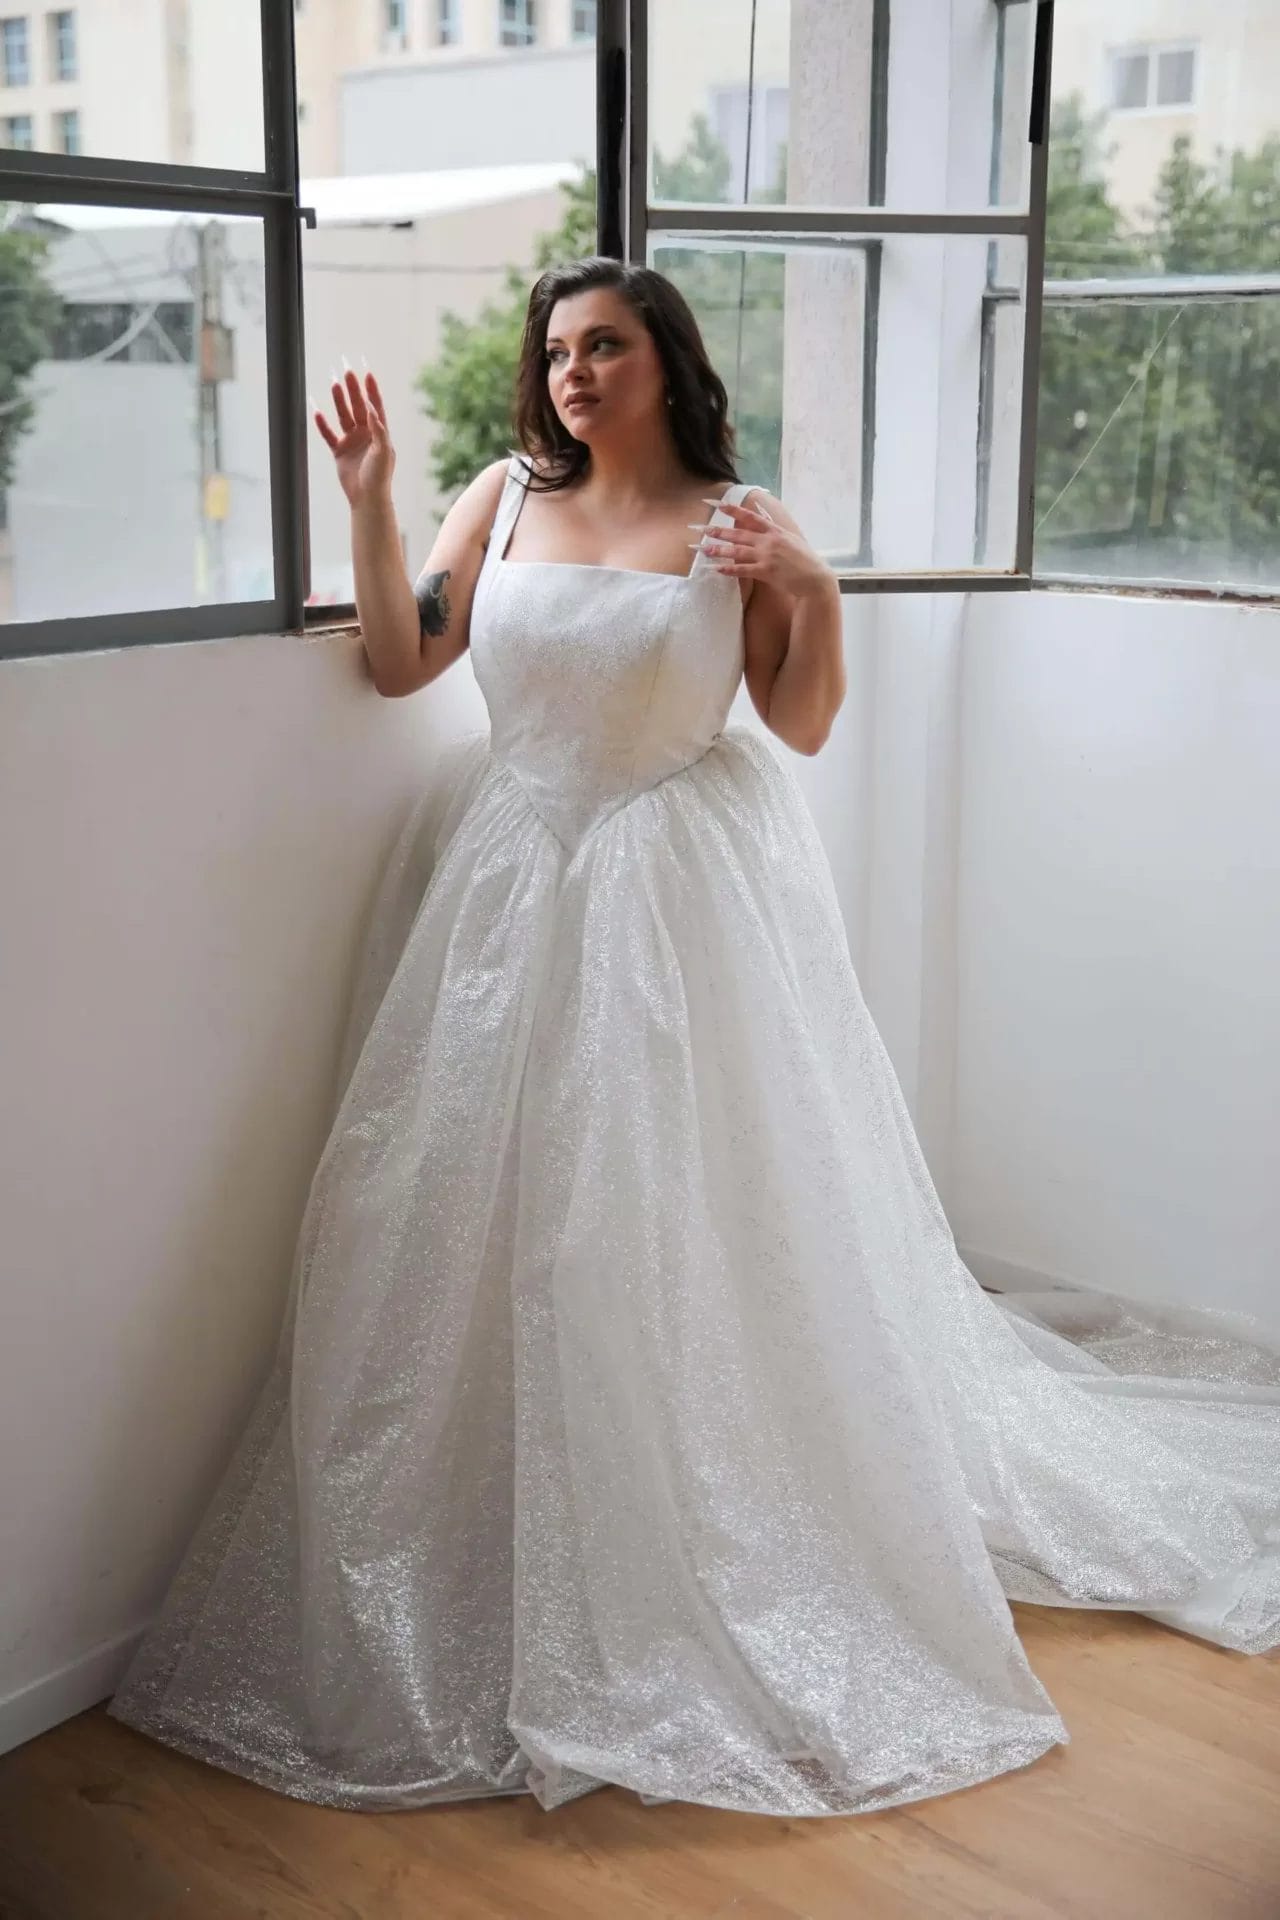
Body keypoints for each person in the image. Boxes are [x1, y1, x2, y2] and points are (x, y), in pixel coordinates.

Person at [107, 257, 1280, 1820]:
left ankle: (693, 1528)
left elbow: (798, 725)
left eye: (604, 347)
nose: (575, 373)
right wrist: (375, 497)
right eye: (558, 352)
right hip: (514, 886)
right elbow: (402, 659)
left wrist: (809, 585)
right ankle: (503, 1536)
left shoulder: (737, 517)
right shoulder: (503, 500)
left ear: (666, 361)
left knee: (678, 1221)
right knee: (459, 1220)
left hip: (679, 891)